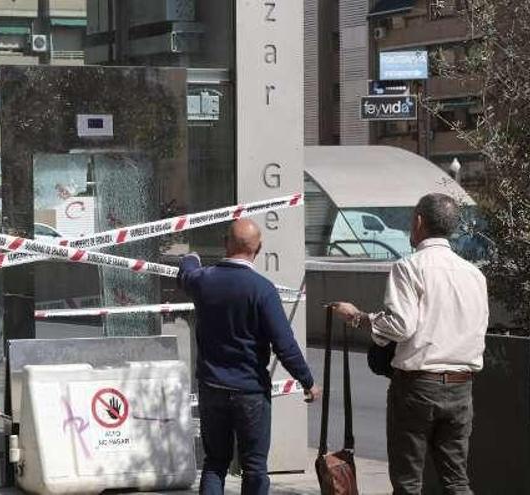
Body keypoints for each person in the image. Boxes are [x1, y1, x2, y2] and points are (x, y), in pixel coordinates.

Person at [331, 193, 488, 495]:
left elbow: (401, 326)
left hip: (418, 387)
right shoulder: (475, 275)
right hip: (461, 386)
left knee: (407, 482)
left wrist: (358, 318)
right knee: (456, 480)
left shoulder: (409, 267)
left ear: (418, 222)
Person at [178, 218, 321, 495]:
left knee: (215, 463)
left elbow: (186, 270)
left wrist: (192, 257)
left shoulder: (204, 281)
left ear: (225, 244)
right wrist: (307, 381)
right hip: (250, 391)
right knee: (254, 467)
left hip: (212, 387)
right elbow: (284, 344)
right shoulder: (262, 289)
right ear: (259, 249)